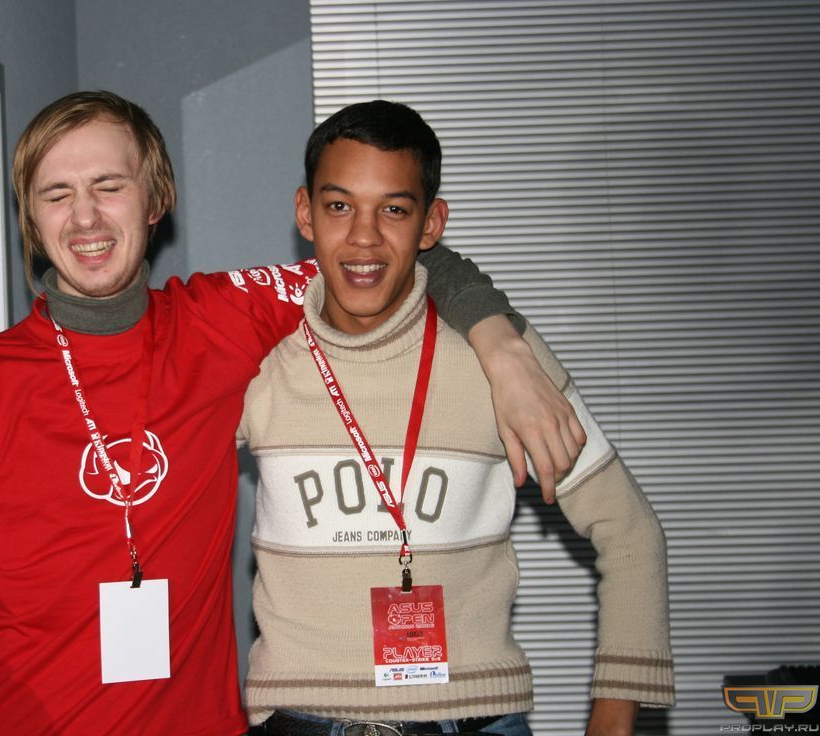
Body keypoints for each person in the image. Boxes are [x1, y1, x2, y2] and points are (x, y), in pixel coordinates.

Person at [0, 91, 585, 736]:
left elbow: (385, 253)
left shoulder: (221, 319)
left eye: (109, 186)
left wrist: (502, 347)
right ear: (30, 216)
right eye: (56, 194)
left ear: (156, 198)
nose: (84, 217)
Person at [239, 101, 673, 735]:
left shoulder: (505, 360)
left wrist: (613, 716)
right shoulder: (257, 358)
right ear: (305, 212)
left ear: (431, 223)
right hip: (300, 720)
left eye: (394, 209)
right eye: (339, 206)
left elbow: (629, 530)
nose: (364, 236)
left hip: (476, 720)